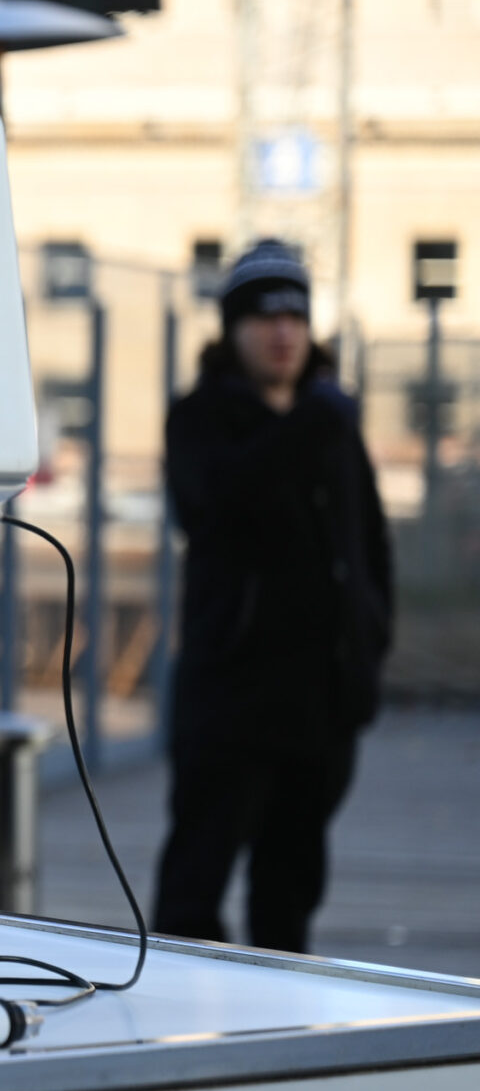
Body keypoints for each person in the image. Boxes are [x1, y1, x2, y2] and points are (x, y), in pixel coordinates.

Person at [153, 240, 392, 951]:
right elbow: (214, 505)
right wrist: (309, 425)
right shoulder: (202, 416)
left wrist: (370, 641)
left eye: (295, 315)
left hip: (321, 703)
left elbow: (370, 542)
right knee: (192, 893)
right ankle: (172, 1042)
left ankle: (277, 1043)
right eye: (263, 316)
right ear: (232, 327)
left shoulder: (332, 421)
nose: (283, 331)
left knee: (289, 898)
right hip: (232, 697)